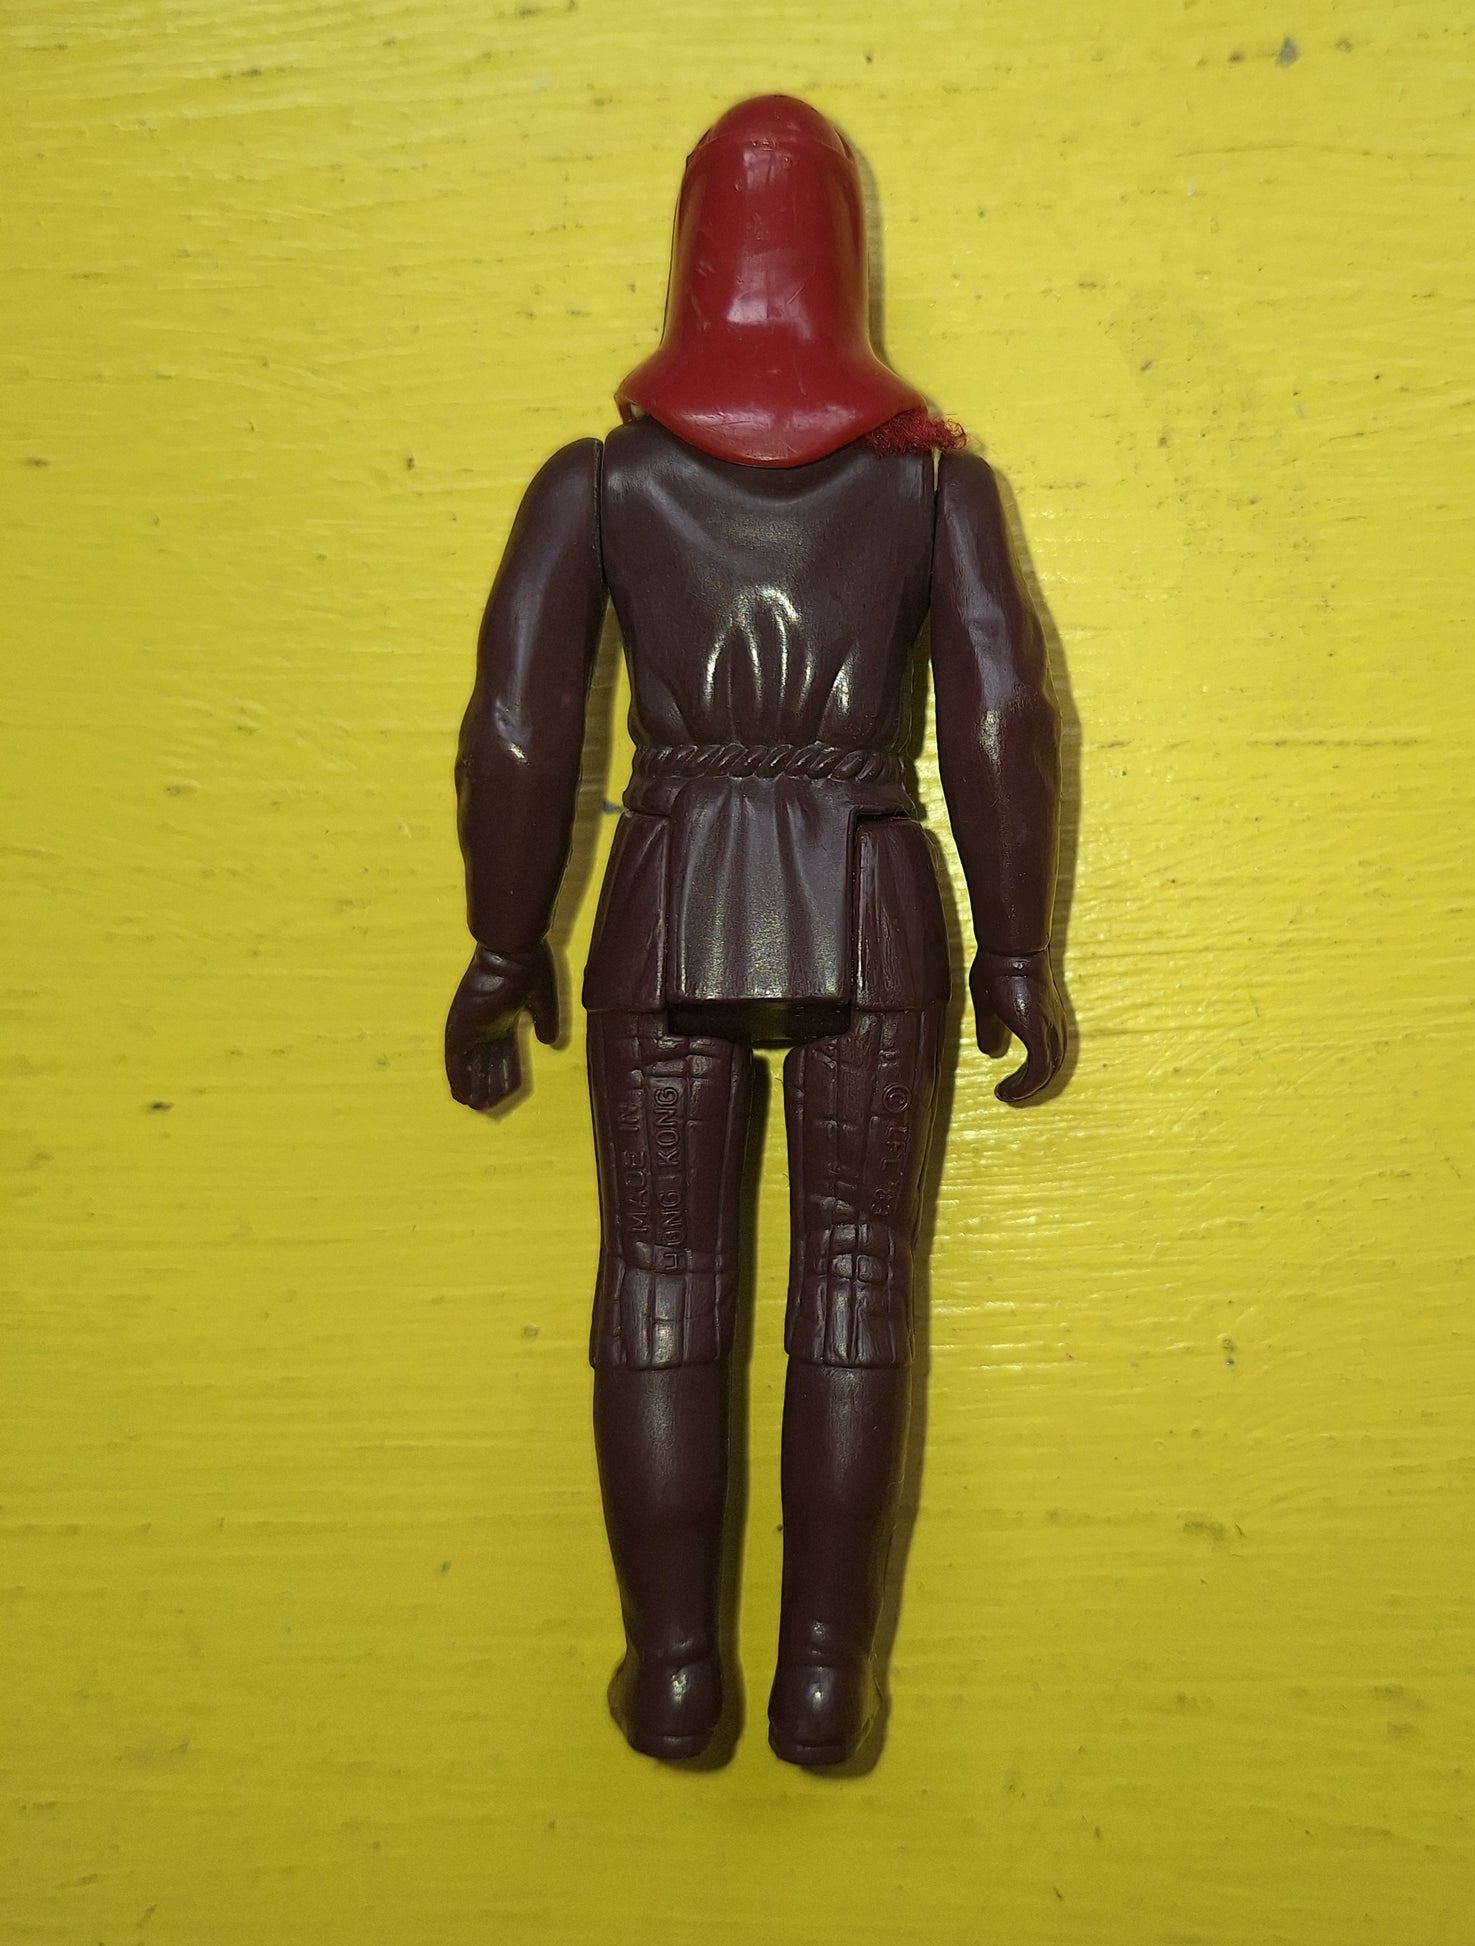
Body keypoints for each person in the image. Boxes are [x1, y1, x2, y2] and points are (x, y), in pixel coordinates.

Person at [443, 95, 1066, 1767]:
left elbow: (516, 725)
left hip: (666, 899)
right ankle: (824, 1677)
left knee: (658, 1273)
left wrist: (505, 941)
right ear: (843, 262)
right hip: (870, 897)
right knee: (859, 1277)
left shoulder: (598, 485)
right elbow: (1000, 720)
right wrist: (1015, 947)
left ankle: (669, 1670)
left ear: (690, 252)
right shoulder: (934, 492)